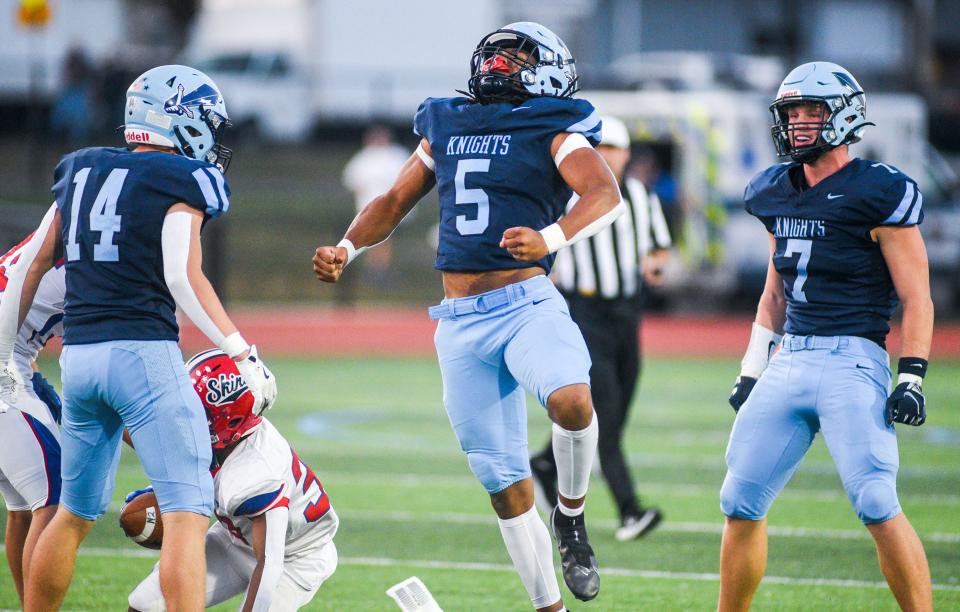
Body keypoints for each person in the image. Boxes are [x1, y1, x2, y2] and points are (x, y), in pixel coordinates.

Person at [314, 22, 624, 611]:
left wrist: (551, 236)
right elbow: (393, 201)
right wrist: (346, 249)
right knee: (504, 489)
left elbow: (603, 193)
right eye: (499, 53)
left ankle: (573, 517)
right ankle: (547, 606)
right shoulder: (448, 120)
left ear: (550, 69)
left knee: (572, 401)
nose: (503, 62)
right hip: (458, 321)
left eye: (519, 55)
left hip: (526, 304)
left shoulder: (553, 123)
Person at [0, 64, 278, 611]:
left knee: (72, 513)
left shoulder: (81, 170)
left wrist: (9, 354)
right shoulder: (184, 179)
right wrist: (239, 351)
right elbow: (182, 275)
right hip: (143, 353)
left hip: (77, 360)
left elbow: (29, 267)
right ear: (177, 119)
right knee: (185, 515)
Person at [719, 62, 933, 612]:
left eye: (812, 111)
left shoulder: (878, 190)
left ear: (844, 116)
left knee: (876, 501)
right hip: (790, 359)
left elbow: (917, 298)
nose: (799, 124)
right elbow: (775, 293)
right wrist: (750, 368)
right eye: (792, 112)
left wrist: (911, 376)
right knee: (739, 499)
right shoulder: (773, 191)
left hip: (852, 361)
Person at [531, 115, 671, 542]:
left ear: (627, 154)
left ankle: (544, 463)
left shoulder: (641, 197)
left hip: (628, 314)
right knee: (605, 419)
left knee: (619, 407)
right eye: (601, 148)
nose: (608, 156)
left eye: (615, 148)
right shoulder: (569, 199)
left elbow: (659, 247)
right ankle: (630, 510)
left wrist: (656, 265)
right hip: (585, 312)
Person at [128, 349, 338, 612]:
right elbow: (177, 456)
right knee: (144, 605)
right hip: (234, 535)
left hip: (294, 558)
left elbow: (270, 565)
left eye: (195, 410)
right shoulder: (224, 439)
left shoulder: (255, 475)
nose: (184, 414)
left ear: (225, 419)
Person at [0, 240, 64, 607]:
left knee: (22, 505)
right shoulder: (97, 257)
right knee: (55, 503)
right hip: (5, 367)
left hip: (12, 359)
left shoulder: (51, 236)